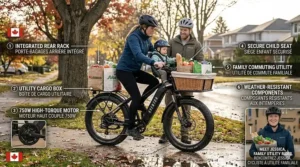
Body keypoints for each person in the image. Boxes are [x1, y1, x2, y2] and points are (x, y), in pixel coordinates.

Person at [116, 15, 165, 140]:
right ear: (144, 27)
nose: (153, 31)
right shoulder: (134, 37)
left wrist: (164, 59)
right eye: (152, 28)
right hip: (124, 71)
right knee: (135, 97)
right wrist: (153, 63)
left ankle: (139, 104)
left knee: (154, 82)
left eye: (154, 29)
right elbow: (138, 55)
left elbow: (154, 52)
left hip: (134, 70)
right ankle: (130, 128)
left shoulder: (146, 39)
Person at [159, 18, 204, 144]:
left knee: (186, 108)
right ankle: (165, 134)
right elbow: (165, 57)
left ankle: (185, 135)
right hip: (173, 79)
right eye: (181, 29)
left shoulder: (196, 44)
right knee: (169, 107)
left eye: (185, 30)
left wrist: (192, 64)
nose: (183, 31)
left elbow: (200, 60)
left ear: (190, 30)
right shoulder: (172, 42)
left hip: (188, 80)